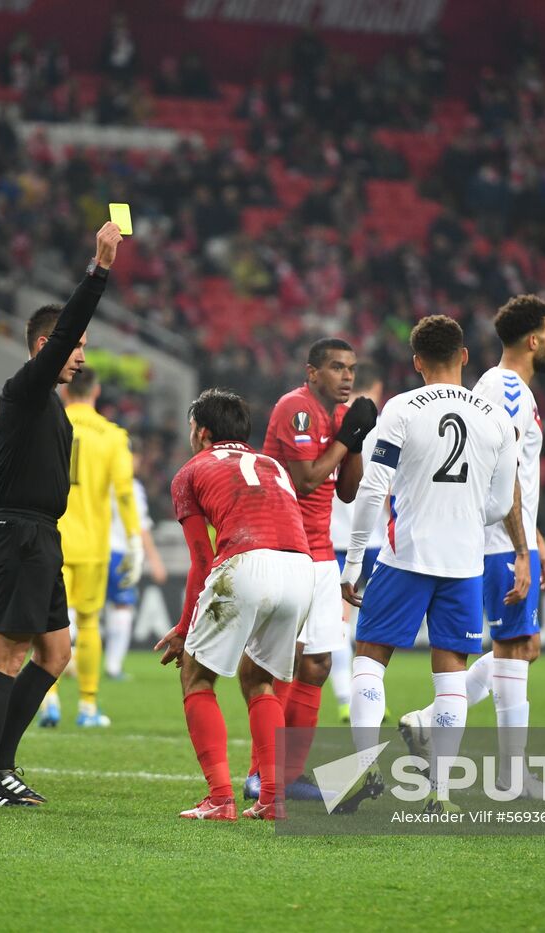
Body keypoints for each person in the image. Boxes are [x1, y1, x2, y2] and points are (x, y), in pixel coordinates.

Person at [0, 221, 123, 808]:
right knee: (4, 655)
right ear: (45, 347)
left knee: (56, 653)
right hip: (18, 535)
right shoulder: (25, 388)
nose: (80, 357)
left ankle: (0, 767)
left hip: (42, 537)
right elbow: (64, 337)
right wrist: (98, 270)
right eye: (74, 346)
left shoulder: (49, 404)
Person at [337, 315, 522, 815]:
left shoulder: (400, 409)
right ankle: (440, 792)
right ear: (464, 356)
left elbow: (373, 489)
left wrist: (354, 564)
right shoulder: (495, 417)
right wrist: (460, 516)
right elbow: (502, 501)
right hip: (464, 563)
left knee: (369, 660)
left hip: (405, 556)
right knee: (450, 678)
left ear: (416, 362)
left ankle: (363, 766)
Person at [399, 295, 545, 798]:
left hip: (509, 537)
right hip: (496, 541)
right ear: (533, 340)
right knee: (516, 647)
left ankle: (429, 723)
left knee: (522, 647)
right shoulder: (506, 387)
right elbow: (500, 465)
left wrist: (534, 539)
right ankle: (512, 776)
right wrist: (519, 548)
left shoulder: (509, 387)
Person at [155, 390, 314, 821]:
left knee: (196, 676)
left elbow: (202, 560)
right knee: (260, 680)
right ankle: (272, 800)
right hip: (302, 570)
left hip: (245, 563)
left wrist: (185, 627)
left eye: (192, 429)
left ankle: (220, 798)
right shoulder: (273, 465)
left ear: (203, 433)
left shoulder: (192, 471)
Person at [243, 338, 378, 800]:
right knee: (282, 664)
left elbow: (347, 491)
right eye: (337, 368)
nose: (347, 377)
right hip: (282, 547)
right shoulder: (295, 408)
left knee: (318, 664)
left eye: (352, 369)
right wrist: (345, 439)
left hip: (321, 554)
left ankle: (291, 775)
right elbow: (305, 480)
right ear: (312, 372)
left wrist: (356, 440)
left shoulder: (341, 417)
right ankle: (261, 773)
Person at [40, 366, 141, 728]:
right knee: (88, 625)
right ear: (95, 392)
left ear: (67, 391)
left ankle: (48, 700)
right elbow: (125, 494)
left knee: (46, 623)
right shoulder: (113, 436)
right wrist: (133, 540)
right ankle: (87, 706)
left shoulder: (47, 424)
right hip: (94, 546)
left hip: (51, 539)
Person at [328, 361, 387, 722]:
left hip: (335, 538)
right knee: (373, 625)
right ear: (374, 390)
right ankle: (363, 698)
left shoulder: (330, 423)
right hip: (373, 541)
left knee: (338, 623)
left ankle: (347, 698)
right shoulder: (382, 427)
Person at [102, 453, 166, 681]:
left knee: (83, 609)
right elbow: (140, 528)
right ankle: (113, 666)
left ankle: (71, 659)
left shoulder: (98, 479)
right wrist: (155, 561)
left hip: (94, 551)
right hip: (121, 555)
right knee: (122, 608)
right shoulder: (131, 487)